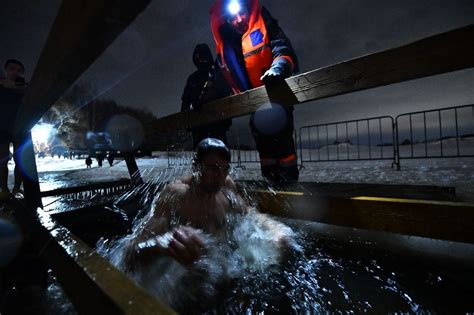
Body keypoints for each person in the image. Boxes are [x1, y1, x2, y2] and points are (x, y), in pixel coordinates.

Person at [123, 138, 292, 270]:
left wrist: (274, 229)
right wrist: (165, 243)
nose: (219, 176)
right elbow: (131, 252)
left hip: (226, 266)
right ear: (196, 166)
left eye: (224, 169)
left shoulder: (227, 185)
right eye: (212, 168)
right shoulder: (175, 195)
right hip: (190, 279)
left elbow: (248, 214)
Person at [210, 0, 300, 185]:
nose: (238, 19)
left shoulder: (266, 23)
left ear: (248, 9)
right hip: (253, 105)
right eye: (232, 18)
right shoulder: (224, 46)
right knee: (264, 150)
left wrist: (279, 67)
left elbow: (282, 48)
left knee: (284, 147)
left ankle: (290, 186)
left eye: (240, 13)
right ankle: (270, 188)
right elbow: (218, 79)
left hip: (277, 97)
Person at [181, 43, 232, 149]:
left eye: (203, 57)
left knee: (219, 156)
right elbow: (185, 101)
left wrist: (226, 120)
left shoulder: (217, 75)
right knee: (201, 157)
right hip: (199, 127)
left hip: (217, 125)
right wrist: (186, 121)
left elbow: (227, 97)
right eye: (198, 57)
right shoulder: (193, 78)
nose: (201, 60)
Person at [0, 59, 28, 199]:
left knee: (20, 160)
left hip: (19, 127)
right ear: (6, 70)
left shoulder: (24, 87)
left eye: (18, 70)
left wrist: (16, 87)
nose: (15, 72)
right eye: (12, 69)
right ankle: (4, 190)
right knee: (2, 160)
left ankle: (17, 188)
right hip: (2, 126)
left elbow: (31, 92)